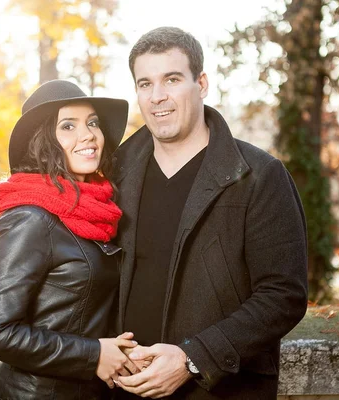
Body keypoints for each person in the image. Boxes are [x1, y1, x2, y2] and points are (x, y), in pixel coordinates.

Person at [112, 27, 309, 399]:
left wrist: (192, 358)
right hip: (121, 389)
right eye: (145, 84)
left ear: (201, 83)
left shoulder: (258, 175)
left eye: (171, 79)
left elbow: (284, 294)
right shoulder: (116, 172)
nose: (158, 97)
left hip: (218, 391)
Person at [0, 79, 140, 400]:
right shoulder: (30, 217)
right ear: (43, 141)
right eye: (68, 126)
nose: (88, 134)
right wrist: (93, 356)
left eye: (92, 123)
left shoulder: (97, 210)